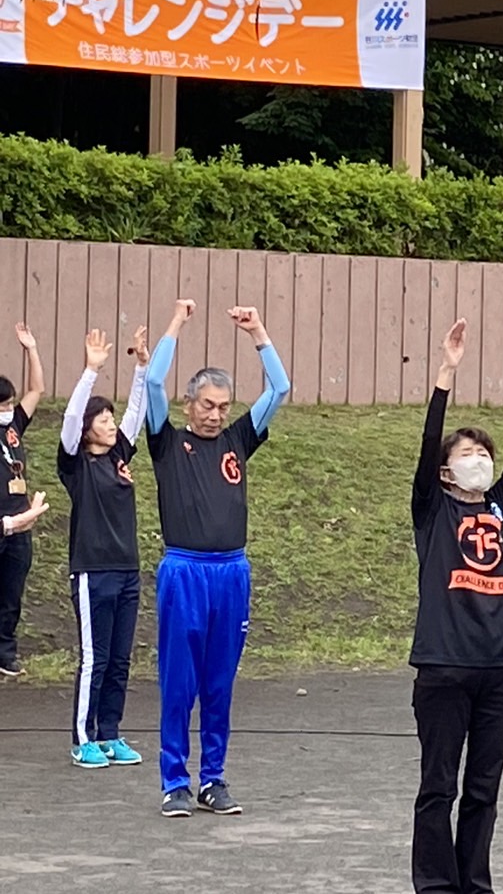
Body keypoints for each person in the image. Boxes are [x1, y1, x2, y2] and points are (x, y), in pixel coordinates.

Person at [410, 317, 503, 894]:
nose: (480, 460)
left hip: (502, 666)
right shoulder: (433, 508)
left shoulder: (501, 504)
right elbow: (427, 442)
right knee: (439, 785)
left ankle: (475, 882)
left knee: (484, 787)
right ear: (447, 469)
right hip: (445, 665)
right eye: (467, 453)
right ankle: (436, 885)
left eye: (483, 453)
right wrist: (446, 372)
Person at [145, 299, 291, 818]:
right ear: (189, 404)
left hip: (232, 572)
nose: (216, 413)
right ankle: (174, 782)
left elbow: (281, 390)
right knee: (179, 682)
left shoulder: (237, 440)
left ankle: (213, 779)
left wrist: (259, 332)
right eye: (207, 404)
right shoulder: (165, 442)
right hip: (183, 571)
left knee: (219, 683)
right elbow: (152, 385)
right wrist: (177, 323)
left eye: (224, 405)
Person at [57, 326, 150, 770]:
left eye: (112, 419)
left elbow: (138, 409)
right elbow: (71, 420)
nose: (112, 424)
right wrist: (91, 371)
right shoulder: (76, 464)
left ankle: (110, 732)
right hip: (92, 570)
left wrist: (142, 368)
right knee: (93, 659)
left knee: (119, 657)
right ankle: (83, 739)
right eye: (104, 419)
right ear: (89, 428)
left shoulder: (119, 458)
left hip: (126, 569)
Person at [0, 322, 45, 677]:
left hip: (20, 522)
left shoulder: (13, 426)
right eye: (4, 403)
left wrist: (30, 349)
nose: (9, 407)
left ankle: (5, 651)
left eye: (11, 402)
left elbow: (38, 389)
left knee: (11, 591)